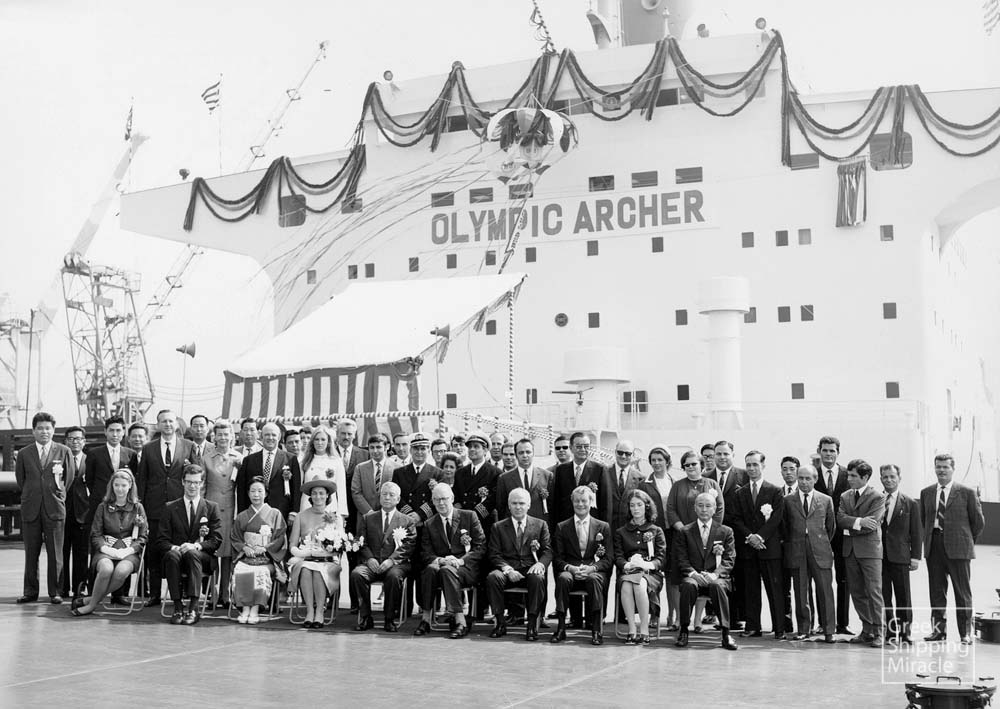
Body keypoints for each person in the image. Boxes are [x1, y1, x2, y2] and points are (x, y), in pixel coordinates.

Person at [920, 453, 985, 644]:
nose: (941, 470)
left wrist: (966, 540)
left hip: (959, 548)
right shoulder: (926, 492)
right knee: (936, 592)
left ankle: (965, 633)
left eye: (945, 467)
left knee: (962, 592)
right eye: (938, 466)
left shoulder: (966, 492)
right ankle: (938, 632)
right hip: (934, 547)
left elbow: (978, 522)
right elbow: (924, 520)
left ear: (952, 469)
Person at [137, 409, 195, 607]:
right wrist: (140, 507)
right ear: (158, 425)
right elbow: (142, 479)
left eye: (171, 421)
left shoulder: (188, 446)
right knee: (154, 551)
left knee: (181, 550)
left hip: (180, 507)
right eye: (164, 421)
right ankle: (154, 594)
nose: (168, 425)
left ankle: (182, 592)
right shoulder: (148, 448)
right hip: (154, 508)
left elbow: (196, 476)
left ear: (176, 424)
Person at [70, 469, 148, 616]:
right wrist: (107, 549)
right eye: (116, 485)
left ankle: (90, 601)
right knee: (106, 569)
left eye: (123, 485)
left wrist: (128, 550)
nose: (120, 489)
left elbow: (143, 537)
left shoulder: (138, 508)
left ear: (130, 486)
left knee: (121, 572)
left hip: (129, 553)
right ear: (111, 486)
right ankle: (91, 604)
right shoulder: (103, 507)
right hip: (106, 550)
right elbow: (96, 534)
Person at [414, 483, 485, 639]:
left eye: (444, 499)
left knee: (447, 571)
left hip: (465, 568)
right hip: (442, 566)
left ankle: (460, 621)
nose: (441, 503)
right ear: (432, 501)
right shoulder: (429, 524)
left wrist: (460, 561)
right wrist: (440, 560)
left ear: (452, 498)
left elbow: (480, 547)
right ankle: (426, 619)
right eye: (437, 499)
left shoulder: (469, 516)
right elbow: (426, 553)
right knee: (429, 570)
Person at [15, 411, 72, 605]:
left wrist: (55, 495)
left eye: (48, 428)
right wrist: (33, 493)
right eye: (40, 428)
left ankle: (56, 591)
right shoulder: (24, 453)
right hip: (31, 508)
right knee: (31, 553)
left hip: (54, 508)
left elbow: (68, 479)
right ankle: (30, 591)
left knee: (56, 553)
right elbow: (21, 479)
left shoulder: (64, 451)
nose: (44, 432)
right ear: (33, 431)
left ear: (54, 430)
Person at [157, 464, 223, 625]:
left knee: (192, 553)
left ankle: (193, 608)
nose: (192, 486)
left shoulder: (211, 507)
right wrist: (176, 548)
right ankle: (178, 607)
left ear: (202, 483)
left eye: (196, 482)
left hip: (202, 558)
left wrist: (195, 546)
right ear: (182, 482)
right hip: (177, 557)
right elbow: (161, 540)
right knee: (171, 555)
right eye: (189, 482)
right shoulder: (170, 507)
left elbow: (216, 540)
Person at [731, 450, 785, 639]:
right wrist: (750, 537)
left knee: (774, 589)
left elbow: (776, 518)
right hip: (748, 549)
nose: (752, 468)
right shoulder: (740, 492)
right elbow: (736, 519)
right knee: (751, 589)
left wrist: (760, 537)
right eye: (748, 465)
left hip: (769, 548)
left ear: (763, 465)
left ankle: (779, 628)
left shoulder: (775, 491)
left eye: (755, 464)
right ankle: (753, 626)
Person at [486, 488, 552, 641]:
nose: (518, 507)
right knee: (493, 577)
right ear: (509, 506)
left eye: (521, 503)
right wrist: (508, 570)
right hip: (508, 570)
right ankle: (500, 623)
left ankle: (532, 624)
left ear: (528, 505)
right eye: (514, 503)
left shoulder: (541, 525)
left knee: (538, 578)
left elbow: (548, 551)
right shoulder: (498, 527)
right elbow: (494, 554)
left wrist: (540, 564)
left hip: (530, 570)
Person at [675, 492, 738, 651]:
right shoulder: (685, 531)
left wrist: (714, 574)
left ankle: (726, 633)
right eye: (700, 505)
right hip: (693, 576)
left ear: (715, 509)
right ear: (694, 508)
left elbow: (729, 559)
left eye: (708, 506)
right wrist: (693, 574)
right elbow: (681, 558)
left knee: (717, 586)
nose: (704, 509)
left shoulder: (725, 531)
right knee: (688, 585)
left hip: (716, 577)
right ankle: (683, 630)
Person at [551, 485, 612, 645]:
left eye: (584, 501)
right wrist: (570, 568)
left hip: (593, 570)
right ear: (572, 502)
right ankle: (561, 628)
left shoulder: (603, 527)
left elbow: (608, 558)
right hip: (571, 570)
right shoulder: (562, 527)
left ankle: (596, 629)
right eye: (577, 501)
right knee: (563, 578)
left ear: (591, 502)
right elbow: (558, 558)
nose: (580, 504)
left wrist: (592, 568)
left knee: (594, 579)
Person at [351, 481, 416, 632]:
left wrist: (391, 560)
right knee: (357, 574)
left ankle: (389, 618)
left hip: (395, 565)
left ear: (398, 499)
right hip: (372, 563)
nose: (387, 498)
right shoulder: (368, 518)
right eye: (384, 494)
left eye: (391, 495)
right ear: (379, 497)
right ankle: (366, 617)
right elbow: (360, 542)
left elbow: (409, 545)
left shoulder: (407, 521)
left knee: (394, 577)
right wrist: (369, 558)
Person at [782, 464, 836, 643]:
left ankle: (829, 630)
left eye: (808, 478)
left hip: (820, 550)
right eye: (801, 478)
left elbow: (831, 527)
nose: (804, 482)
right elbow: (785, 526)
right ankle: (804, 629)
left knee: (825, 591)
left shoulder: (826, 500)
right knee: (801, 591)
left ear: (815, 479)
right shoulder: (788, 500)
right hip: (797, 550)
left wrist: (819, 541)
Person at [838, 459, 886, 647]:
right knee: (857, 592)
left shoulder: (877, 497)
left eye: (853, 476)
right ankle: (867, 630)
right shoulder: (845, 496)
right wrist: (859, 522)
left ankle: (879, 632)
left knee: (874, 592)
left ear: (865, 477)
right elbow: (840, 519)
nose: (849, 479)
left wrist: (850, 527)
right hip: (850, 551)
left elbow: (872, 524)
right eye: (848, 475)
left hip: (870, 552)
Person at [230, 477, 287, 624]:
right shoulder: (242, 516)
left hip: (267, 558)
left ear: (266, 493)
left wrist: (265, 548)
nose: (256, 495)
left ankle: (255, 609)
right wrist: (244, 547)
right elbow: (235, 538)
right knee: (240, 570)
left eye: (260, 491)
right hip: (247, 557)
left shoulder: (275, 514)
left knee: (259, 572)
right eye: (253, 491)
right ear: (248, 493)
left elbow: (280, 537)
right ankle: (245, 609)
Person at [288, 478, 343, 629]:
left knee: (318, 571)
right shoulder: (301, 516)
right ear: (310, 496)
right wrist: (303, 552)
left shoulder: (335, 517)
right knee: (306, 569)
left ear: (327, 495)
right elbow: (292, 544)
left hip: (328, 561)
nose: (318, 496)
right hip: (305, 558)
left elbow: (340, 544)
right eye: (314, 493)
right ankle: (309, 611)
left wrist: (328, 550)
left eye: (321, 493)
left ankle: (319, 611)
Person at [614, 489, 666, 645]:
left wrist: (647, 564)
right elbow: (618, 556)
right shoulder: (621, 532)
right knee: (626, 584)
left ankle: (644, 629)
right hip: (629, 571)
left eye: (639, 505)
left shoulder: (656, 530)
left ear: (646, 507)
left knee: (639, 584)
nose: (635, 509)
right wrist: (627, 564)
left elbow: (661, 558)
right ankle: (632, 629)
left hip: (650, 574)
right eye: (632, 505)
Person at [706, 440, 747, 629]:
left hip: (737, 534)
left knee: (737, 575)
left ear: (732, 455)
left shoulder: (743, 475)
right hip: (712, 534)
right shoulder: (706, 477)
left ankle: (736, 617)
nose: (722, 457)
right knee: (715, 574)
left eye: (725, 454)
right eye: (718, 454)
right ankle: (719, 616)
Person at [880, 463, 922, 644]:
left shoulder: (910, 503)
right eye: (885, 477)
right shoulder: (876, 500)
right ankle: (889, 633)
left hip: (901, 556)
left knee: (903, 596)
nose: (889, 480)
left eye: (892, 476)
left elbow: (916, 532)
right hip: (879, 557)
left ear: (899, 478)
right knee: (884, 597)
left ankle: (905, 633)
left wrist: (915, 557)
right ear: (881, 479)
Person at [813, 435, 851, 634]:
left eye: (832, 451)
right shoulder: (812, 474)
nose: (828, 454)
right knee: (822, 581)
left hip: (843, 536)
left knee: (844, 579)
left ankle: (843, 624)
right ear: (819, 451)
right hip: (820, 535)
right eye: (825, 450)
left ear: (838, 452)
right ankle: (824, 623)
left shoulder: (848, 474)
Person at [638, 446, 678, 630]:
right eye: (653, 460)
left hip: (672, 533)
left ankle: (673, 614)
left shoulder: (675, 482)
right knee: (653, 574)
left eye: (660, 459)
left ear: (667, 461)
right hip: (652, 534)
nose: (656, 463)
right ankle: (655, 614)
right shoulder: (644, 484)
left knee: (672, 575)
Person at [203, 419, 242, 609]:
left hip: (231, 511)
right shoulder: (206, 458)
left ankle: (226, 594)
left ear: (232, 436)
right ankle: (213, 593)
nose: (223, 438)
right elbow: (202, 486)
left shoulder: (239, 458)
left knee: (227, 554)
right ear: (214, 437)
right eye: (220, 434)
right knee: (212, 552)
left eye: (227, 434)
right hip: (211, 511)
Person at [236, 422, 301, 525]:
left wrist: (294, 511)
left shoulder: (290, 459)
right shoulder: (249, 460)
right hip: (254, 513)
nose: (270, 438)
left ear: (279, 437)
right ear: (261, 437)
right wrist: (242, 514)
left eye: (274, 435)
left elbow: (296, 489)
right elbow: (242, 490)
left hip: (281, 513)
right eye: (267, 435)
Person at [551, 432, 611, 531]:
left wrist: (603, 530)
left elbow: (606, 505)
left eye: (586, 446)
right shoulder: (561, 470)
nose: (583, 449)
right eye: (579, 446)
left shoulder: (600, 470)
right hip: (567, 527)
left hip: (592, 527)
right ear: (571, 448)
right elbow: (556, 503)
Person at [453, 432, 500, 543]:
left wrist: (472, 516)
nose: (472, 449)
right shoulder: (460, 473)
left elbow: (493, 500)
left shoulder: (495, 473)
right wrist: (461, 514)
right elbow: (456, 496)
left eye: (476, 446)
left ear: (485, 450)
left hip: (484, 523)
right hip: (462, 522)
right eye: (470, 447)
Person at [61, 426, 90, 599]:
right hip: (62, 513)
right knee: (62, 553)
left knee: (81, 554)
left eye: (78, 439)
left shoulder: (90, 460)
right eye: (71, 439)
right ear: (65, 441)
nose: (75, 442)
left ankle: (79, 588)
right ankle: (62, 588)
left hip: (83, 514)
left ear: (84, 442)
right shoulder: (59, 460)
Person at [496, 438, 552, 522]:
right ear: (516, 455)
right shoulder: (504, 478)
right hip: (514, 525)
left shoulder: (547, 476)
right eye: (521, 452)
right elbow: (501, 508)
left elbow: (552, 506)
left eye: (528, 452)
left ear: (533, 453)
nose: (525, 455)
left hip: (539, 525)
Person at [297, 426, 347, 517]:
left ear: (328, 442)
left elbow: (341, 488)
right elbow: (299, 487)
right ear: (312, 442)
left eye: (323, 439)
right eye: (317, 439)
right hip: (307, 507)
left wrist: (342, 513)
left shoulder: (336, 461)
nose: (320, 443)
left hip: (330, 509)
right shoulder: (304, 461)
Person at [351, 433, 399, 518]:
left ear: (386, 447)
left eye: (378, 447)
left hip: (389, 517)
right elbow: (356, 492)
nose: (375, 451)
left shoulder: (397, 468)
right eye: (372, 447)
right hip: (365, 517)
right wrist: (369, 512)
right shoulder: (360, 468)